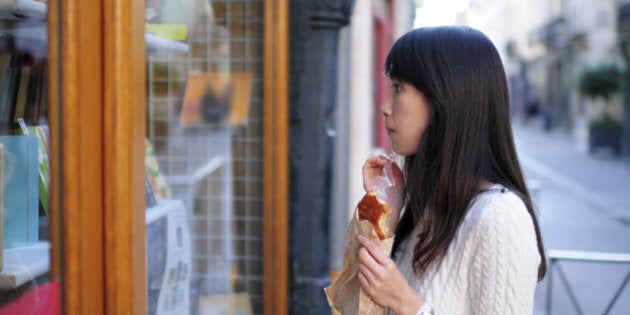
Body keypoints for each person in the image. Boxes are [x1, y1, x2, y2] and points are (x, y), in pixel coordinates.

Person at [356, 26, 547, 314]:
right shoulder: (427, 205)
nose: (385, 107)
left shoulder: (499, 216)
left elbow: (398, 301)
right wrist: (388, 213)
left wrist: (408, 304)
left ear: (443, 98)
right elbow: (359, 305)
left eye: (398, 88)